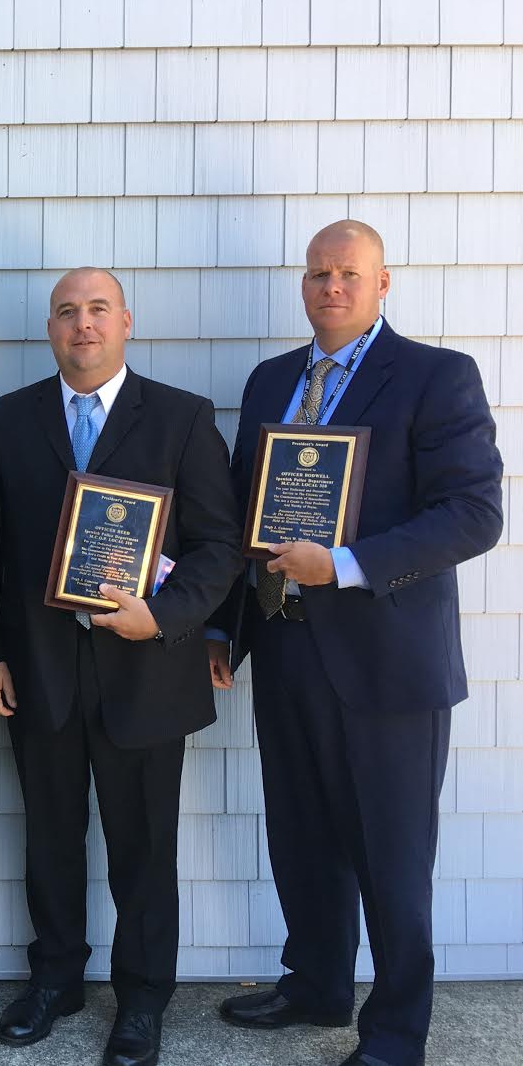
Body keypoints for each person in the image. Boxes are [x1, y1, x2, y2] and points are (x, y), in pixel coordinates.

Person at [209, 221, 503, 1066]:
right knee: (301, 830)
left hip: (387, 659)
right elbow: (241, 513)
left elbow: (474, 512)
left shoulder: (434, 376)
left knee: (392, 852)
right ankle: (315, 982)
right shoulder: (270, 382)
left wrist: (341, 564)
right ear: (302, 285)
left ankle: (396, 1031)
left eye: (347, 273)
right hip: (288, 643)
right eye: (316, 273)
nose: (329, 286)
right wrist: (228, 625)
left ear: (381, 284)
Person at [0, 268, 242, 1066]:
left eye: (96, 310)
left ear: (125, 322)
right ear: (49, 328)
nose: (81, 325)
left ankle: (141, 999)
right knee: (49, 839)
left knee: (141, 846)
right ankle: (54, 979)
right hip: (39, 670)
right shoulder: (7, 419)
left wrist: (162, 615)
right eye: (66, 312)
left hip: (147, 670)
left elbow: (219, 545)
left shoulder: (180, 417)